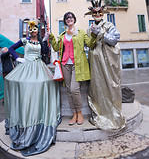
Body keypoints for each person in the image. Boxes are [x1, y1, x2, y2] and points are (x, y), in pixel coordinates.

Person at [4, 20, 61, 156]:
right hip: (27, 66)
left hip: (39, 67)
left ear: (37, 30)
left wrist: (46, 40)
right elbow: (11, 48)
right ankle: (26, 118)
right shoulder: (24, 41)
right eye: (31, 29)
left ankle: (40, 114)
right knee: (25, 88)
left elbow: (46, 53)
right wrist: (17, 58)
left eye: (35, 29)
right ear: (29, 31)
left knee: (46, 84)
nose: (33, 31)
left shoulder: (40, 42)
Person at [49, 12, 96, 126]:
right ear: (65, 21)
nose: (69, 19)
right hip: (65, 64)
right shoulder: (62, 35)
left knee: (75, 89)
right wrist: (50, 37)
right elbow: (56, 48)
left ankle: (79, 111)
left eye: (71, 17)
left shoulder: (81, 32)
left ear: (74, 19)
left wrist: (94, 34)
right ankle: (74, 113)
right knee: (69, 90)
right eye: (67, 18)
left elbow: (90, 44)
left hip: (78, 64)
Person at [85, 0, 126, 131]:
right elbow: (88, 45)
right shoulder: (89, 28)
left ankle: (111, 115)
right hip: (95, 64)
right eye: (94, 12)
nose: (97, 14)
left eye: (99, 12)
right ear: (91, 14)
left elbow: (114, 40)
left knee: (109, 86)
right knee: (97, 87)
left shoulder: (109, 25)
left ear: (103, 13)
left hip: (107, 63)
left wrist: (101, 34)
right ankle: (100, 112)